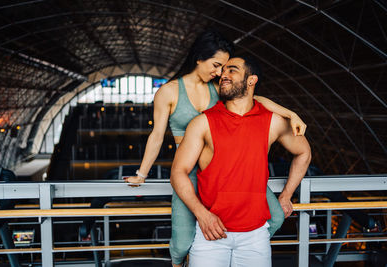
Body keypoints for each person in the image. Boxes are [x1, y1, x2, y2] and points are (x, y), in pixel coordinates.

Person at [124, 29, 307, 266]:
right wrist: (141, 174)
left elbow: (255, 99)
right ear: (199, 58)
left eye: (224, 68)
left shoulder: (218, 88)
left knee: (275, 217)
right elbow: (157, 136)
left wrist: (291, 114)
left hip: (221, 168)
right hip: (189, 169)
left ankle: (242, 246)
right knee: (181, 243)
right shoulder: (169, 91)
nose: (219, 72)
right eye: (217, 65)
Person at [170, 55, 311, 266]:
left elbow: (304, 153)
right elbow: (178, 172)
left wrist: (286, 195)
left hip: (255, 237)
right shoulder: (202, 122)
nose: (223, 75)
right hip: (211, 235)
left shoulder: (272, 121)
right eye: (222, 71)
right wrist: (203, 215)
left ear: (251, 80)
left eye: (232, 70)